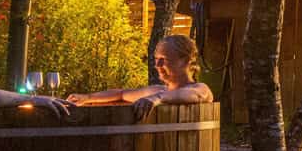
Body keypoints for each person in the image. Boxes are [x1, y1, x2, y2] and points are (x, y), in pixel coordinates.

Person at [69, 34, 213, 115]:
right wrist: (87, 98)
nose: (157, 66)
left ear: (185, 61)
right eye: (157, 60)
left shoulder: (200, 88)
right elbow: (122, 94)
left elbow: (195, 95)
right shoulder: (159, 90)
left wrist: (157, 99)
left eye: (164, 60)